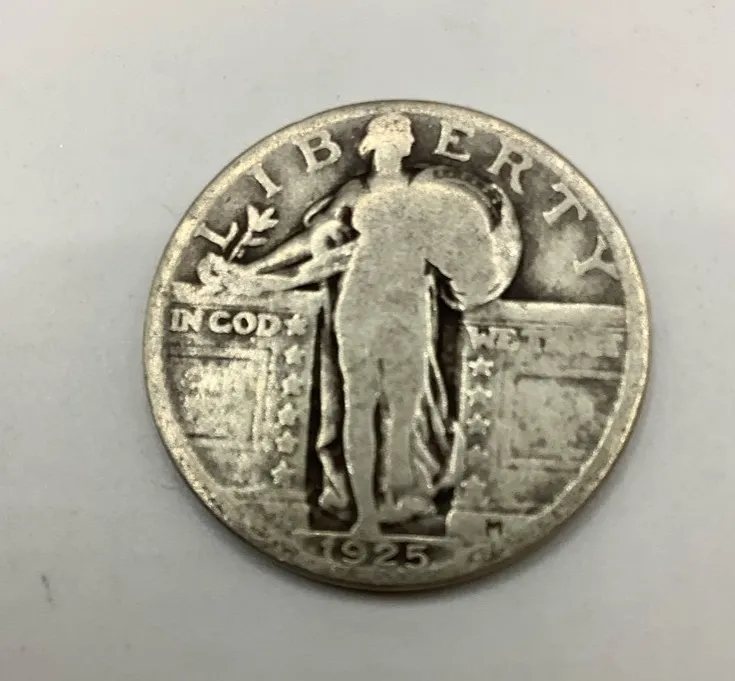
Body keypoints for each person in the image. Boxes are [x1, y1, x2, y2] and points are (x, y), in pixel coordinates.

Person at [199, 114, 522, 537]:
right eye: (383, 143)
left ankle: (402, 498)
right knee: (360, 406)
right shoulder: (357, 193)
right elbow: (315, 246)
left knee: (405, 411)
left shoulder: (429, 194)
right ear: (369, 148)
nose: (390, 150)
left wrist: (475, 275)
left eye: (397, 143)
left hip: (409, 309)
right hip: (361, 305)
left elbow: (460, 258)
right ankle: (366, 511)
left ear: (406, 148)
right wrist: (256, 272)